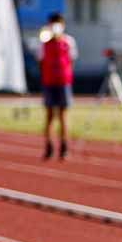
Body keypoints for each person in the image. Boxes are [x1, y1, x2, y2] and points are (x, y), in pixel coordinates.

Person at [36, 12, 78, 160]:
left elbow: (71, 61)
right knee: (49, 116)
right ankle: (48, 145)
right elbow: (40, 61)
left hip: (63, 82)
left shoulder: (69, 41)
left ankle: (64, 146)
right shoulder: (43, 43)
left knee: (63, 116)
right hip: (49, 82)